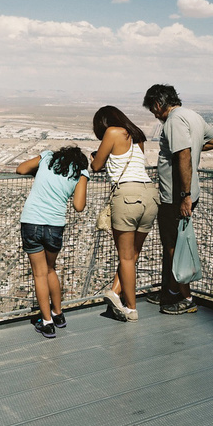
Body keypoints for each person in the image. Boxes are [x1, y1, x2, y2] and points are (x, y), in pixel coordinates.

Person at [143, 84, 213, 314]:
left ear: (158, 104)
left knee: (173, 246)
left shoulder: (174, 121)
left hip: (176, 196)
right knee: (173, 243)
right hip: (186, 193)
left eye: (153, 111)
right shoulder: (192, 116)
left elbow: (183, 155)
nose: (155, 116)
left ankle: (185, 298)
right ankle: (171, 290)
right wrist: (194, 147)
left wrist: (185, 196)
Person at [90, 106, 159, 322]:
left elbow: (96, 166)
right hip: (150, 194)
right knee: (133, 254)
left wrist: (94, 156)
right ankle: (114, 292)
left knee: (125, 256)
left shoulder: (112, 132)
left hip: (128, 195)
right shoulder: (137, 136)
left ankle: (131, 308)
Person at [16, 145, 90, 338]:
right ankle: (58, 314)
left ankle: (46, 322)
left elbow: (21, 169)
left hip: (31, 221)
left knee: (39, 274)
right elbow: (79, 206)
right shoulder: (81, 171)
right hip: (54, 225)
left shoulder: (47, 157)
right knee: (50, 269)